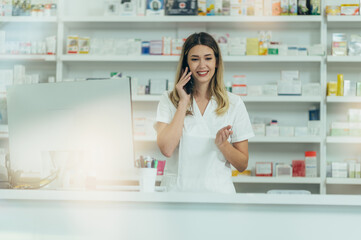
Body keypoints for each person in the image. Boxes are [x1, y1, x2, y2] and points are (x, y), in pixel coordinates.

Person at [155, 32, 254, 193]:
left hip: (218, 195)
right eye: (195, 59)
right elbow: (167, 149)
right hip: (177, 194)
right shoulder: (169, 99)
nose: (202, 65)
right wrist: (183, 103)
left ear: (216, 62)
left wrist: (223, 145)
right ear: (186, 63)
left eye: (208, 58)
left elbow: (242, 164)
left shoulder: (234, 103)